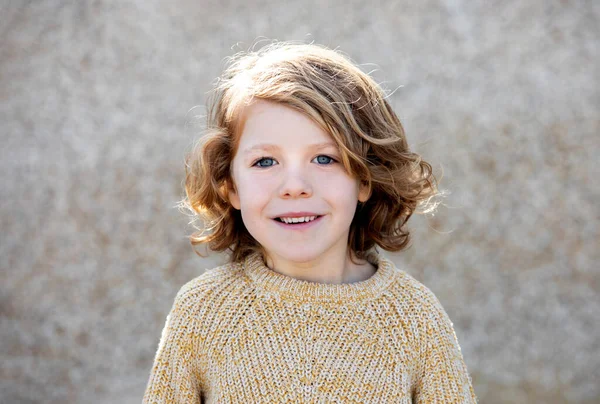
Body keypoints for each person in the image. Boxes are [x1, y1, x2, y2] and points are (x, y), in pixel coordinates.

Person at [142, 41, 477, 403]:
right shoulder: (204, 311)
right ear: (230, 186)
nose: (295, 187)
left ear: (365, 178)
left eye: (324, 159)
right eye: (265, 162)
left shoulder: (414, 319)